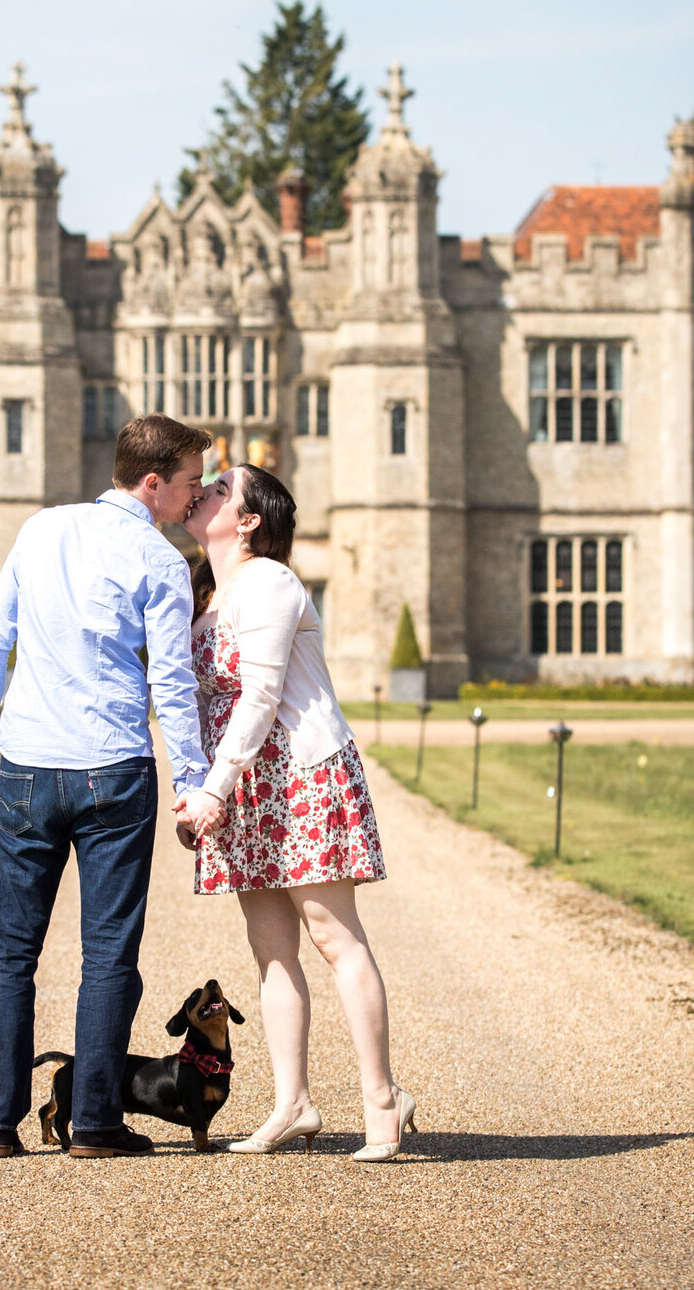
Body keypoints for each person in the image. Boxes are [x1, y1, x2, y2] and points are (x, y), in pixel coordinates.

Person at [0, 414, 213, 1159]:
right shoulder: (162, 561)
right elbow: (171, 681)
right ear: (153, 482)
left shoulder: (41, 529)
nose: (198, 495)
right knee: (107, 952)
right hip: (112, 768)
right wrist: (192, 780)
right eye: (193, 482)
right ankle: (96, 1124)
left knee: (10, 950)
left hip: (28, 765)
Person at [174, 464, 416, 1162]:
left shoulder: (272, 581)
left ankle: (382, 1103)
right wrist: (195, 787)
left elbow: (259, 696)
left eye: (221, 489)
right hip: (244, 784)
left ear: (248, 519)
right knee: (269, 947)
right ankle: (293, 1103)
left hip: (301, 775)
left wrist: (212, 789)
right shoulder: (205, 594)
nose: (205, 493)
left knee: (334, 936)